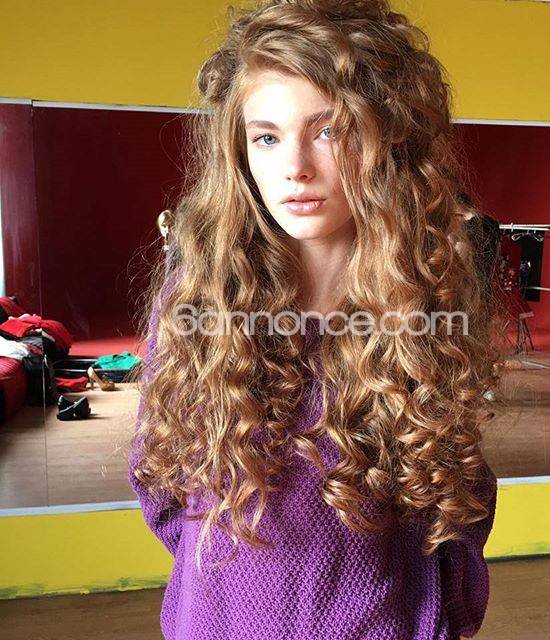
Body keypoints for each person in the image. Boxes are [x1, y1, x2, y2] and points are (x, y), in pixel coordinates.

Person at [128, 2, 502, 639]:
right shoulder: (199, 301)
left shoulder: (430, 308)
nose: (295, 166)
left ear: (389, 140)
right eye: (266, 137)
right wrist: (224, 592)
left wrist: (436, 614)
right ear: (239, 152)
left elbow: (455, 500)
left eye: (329, 131)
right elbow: (158, 482)